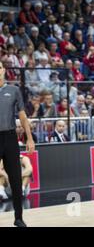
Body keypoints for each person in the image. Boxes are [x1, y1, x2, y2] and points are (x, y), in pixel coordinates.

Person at [0, 60, 35, 227]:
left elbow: (22, 116)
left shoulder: (13, 90)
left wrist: (29, 138)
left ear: (3, 70)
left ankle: (18, 218)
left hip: (10, 138)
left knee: (15, 179)